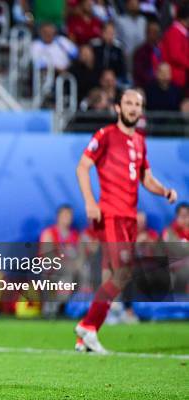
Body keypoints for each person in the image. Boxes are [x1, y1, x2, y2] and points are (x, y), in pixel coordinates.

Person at [75, 88, 178, 353]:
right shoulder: (106, 135)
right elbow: (82, 167)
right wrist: (89, 201)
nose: (133, 107)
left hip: (130, 217)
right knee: (122, 272)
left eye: (138, 104)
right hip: (112, 214)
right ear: (118, 108)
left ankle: (86, 335)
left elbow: (146, 178)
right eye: (128, 103)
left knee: (112, 275)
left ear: (141, 110)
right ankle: (87, 327)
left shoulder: (140, 141)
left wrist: (163, 190)